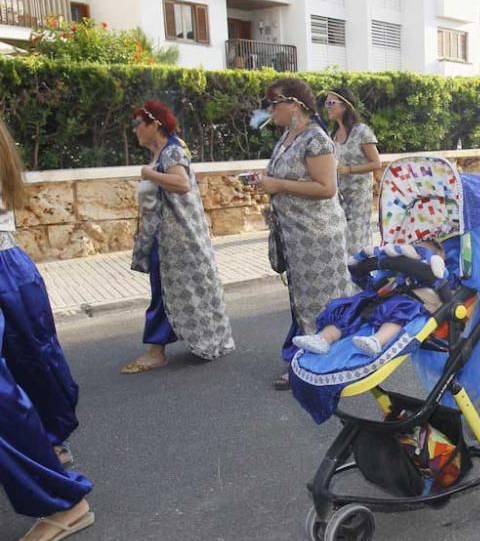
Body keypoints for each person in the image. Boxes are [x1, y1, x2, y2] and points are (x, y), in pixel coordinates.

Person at [0, 117, 95, 541]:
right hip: (11, 269)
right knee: (32, 369)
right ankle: (51, 453)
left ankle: (62, 503)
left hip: (7, 271)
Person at [123, 101, 234, 373]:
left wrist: (149, 173)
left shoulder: (171, 152)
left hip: (177, 241)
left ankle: (156, 350)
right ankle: (165, 346)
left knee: (165, 292)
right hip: (167, 238)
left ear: (154, 125)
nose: (134, 130)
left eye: (138, 124)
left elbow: (181, 183)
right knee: (169, 291)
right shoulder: (163, 151)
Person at [258, 78, 353, 390]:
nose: (271, 110)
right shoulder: (288, 136)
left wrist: (279, 186)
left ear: (295, 105)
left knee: (321, 302)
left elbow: (327, 188)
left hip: (318, 237)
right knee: (302, 300)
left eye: (275, 103)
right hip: (295, 235)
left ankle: (321, 364)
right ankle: (309, 360)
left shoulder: (316, 139)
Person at [292, 242, 445, 357]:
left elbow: (441, 292)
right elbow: (372, 285)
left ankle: (377, 341)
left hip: (406, 306)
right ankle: (324, 339)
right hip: (379, 302)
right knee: (351, 307)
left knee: (398, 314)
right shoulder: (397, 277)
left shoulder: (436, 280)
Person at [321, 88, 381, 253]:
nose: (328, 107)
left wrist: (349, 169)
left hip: (358, 201)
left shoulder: (361, 131)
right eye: (326, 103)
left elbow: (376, 163)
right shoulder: (332, 134)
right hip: (338, 199)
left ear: (345, 106)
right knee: (339, 245)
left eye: (331, 103)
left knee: (355, 246)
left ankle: (359, 277)